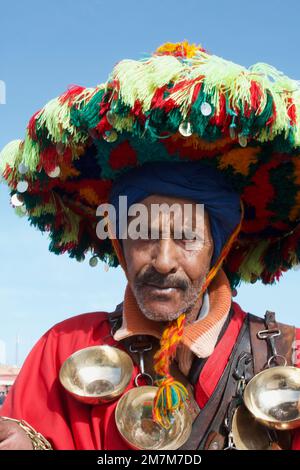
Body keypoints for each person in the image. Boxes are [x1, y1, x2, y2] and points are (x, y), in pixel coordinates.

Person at [0, 41, 300, 450]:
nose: (162, 260)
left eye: (188, 236)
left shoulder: (287, 357)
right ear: (121, 245)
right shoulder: (63, 349)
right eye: (142, 233)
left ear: (220, 246)